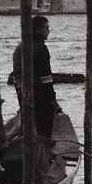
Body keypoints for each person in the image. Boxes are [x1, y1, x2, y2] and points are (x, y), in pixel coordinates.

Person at [12, 14, 59, 149]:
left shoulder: (20, 47)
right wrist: (52, 99)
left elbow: (16, 75)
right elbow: (46, 77)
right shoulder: (41, 48)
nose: (48, 31)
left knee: (31, 125)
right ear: (38, 30)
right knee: (44, 127)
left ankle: (31, 152)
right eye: (46, 28)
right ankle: (44, 156)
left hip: (24, 93)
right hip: (39, 95)